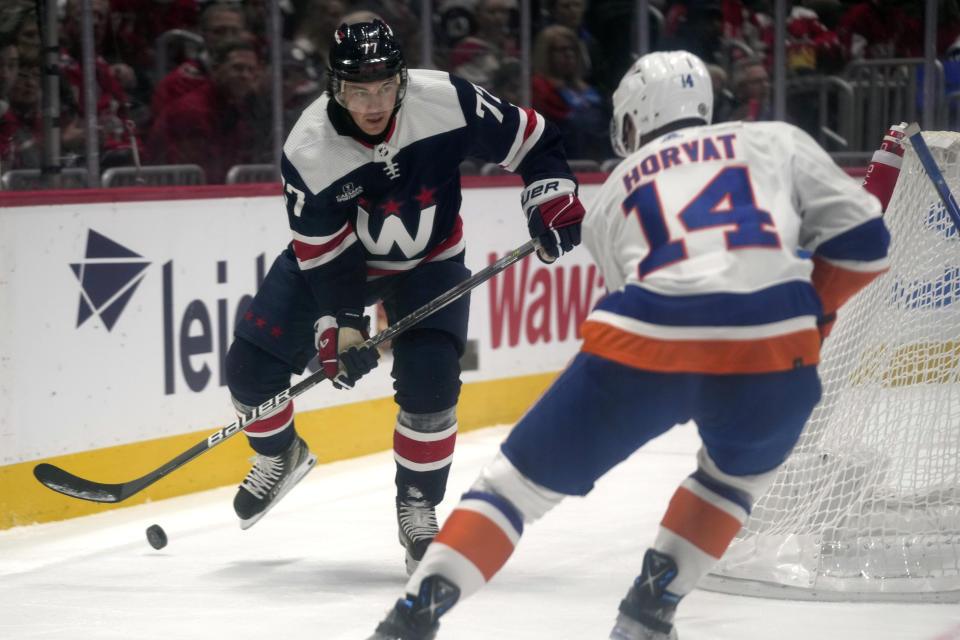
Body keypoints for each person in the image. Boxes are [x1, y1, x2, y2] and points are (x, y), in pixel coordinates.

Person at [368, 49, 892, 640]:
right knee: (731, 482)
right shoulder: (775, 139)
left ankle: (413, 616)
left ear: (634, 117)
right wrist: (809, 319)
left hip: (652, 333)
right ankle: (648, 611)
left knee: (512, 492)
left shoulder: (617, 189)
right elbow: (867, 244)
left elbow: (654, 302)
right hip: (778, 350)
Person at [223, 19, 585, 578]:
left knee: (432, 384)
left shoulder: (448, 100)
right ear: (333, 88)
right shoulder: (311, 147)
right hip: (340, 264)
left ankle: (417, 504)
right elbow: (326, 256)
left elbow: (535, 140)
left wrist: (550, 195)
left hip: (431, 261)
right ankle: (280, 455)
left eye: (386, 87)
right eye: (358, 91)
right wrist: (341, 326)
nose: (374, 104)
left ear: (402, 80)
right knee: (248, 370)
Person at [148, 38, 269, 183]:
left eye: (251, 70)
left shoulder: (236, 108)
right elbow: (191, 175)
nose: (245, 76)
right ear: (216, 68)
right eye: (237, 68)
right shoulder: (192, 110)